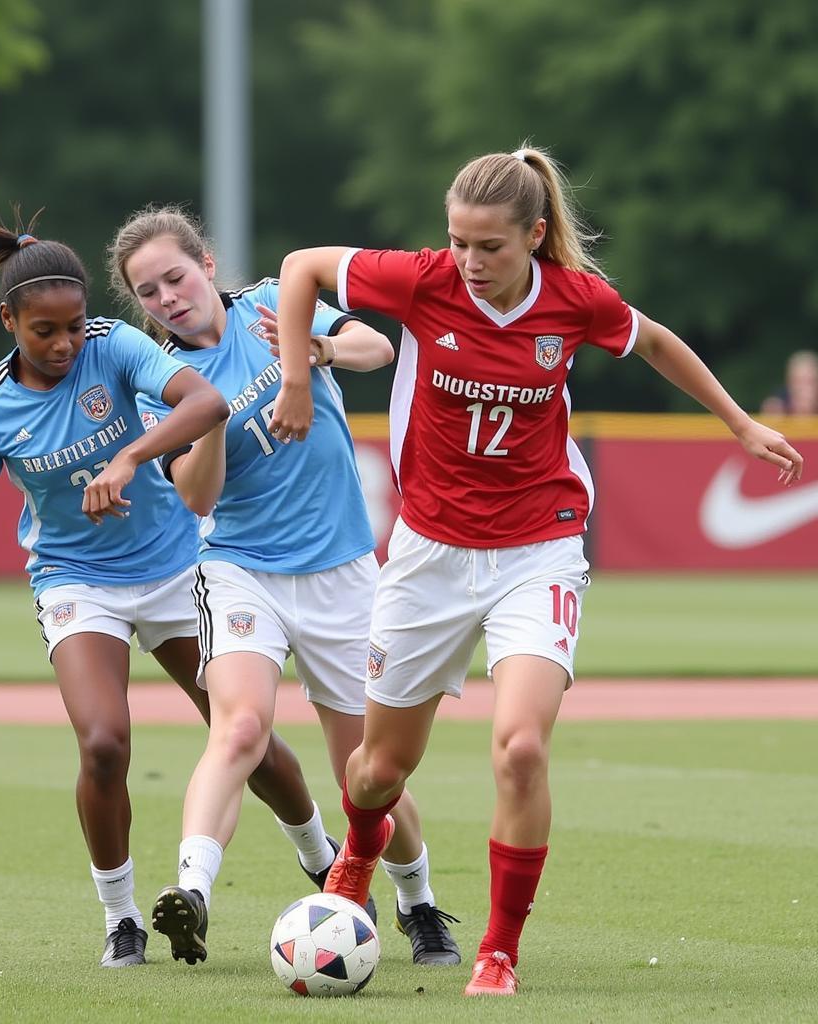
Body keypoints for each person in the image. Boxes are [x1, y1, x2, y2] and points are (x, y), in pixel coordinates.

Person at [269, 145, 805, 997]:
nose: (471, 263)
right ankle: (358, 861)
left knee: (520, 750)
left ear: (536, 235)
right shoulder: (420, 281)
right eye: (459, 243)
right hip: (429, 555)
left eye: (491, 247)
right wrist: (300, 376)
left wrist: (739, 425)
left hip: (540, 546)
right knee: (375, 772)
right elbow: (299, 270)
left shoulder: (575, 301)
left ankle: (498, 951)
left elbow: (657, 342)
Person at [0, 211, 336, 971]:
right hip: (79, 584)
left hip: (178, 567)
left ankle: (321, 857)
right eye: (45, 331)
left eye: (75, 326)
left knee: (242, 736)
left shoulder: (117, 346)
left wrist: (128, 458)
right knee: (104, 744)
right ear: (8, 319)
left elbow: (203, 403)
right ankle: (123, 919)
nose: (66, 344)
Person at [107, 205, 461, 968]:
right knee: (238, 728)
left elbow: (379, 343)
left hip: (341, 573)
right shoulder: (155, 380)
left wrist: (317, 349)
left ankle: (417, 903)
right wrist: (203, 412)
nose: (167, 297)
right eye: (148, 292)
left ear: (205, 262)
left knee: (365, 772)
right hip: (241, 572)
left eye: (175, 276)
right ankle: (191, 894)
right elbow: (199, 499)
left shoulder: (272, 301)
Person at [760, 349, 818, 415]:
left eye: (810, 381)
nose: (803, 387)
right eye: (798, 381)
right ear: (789, 382)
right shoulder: (777, 404)